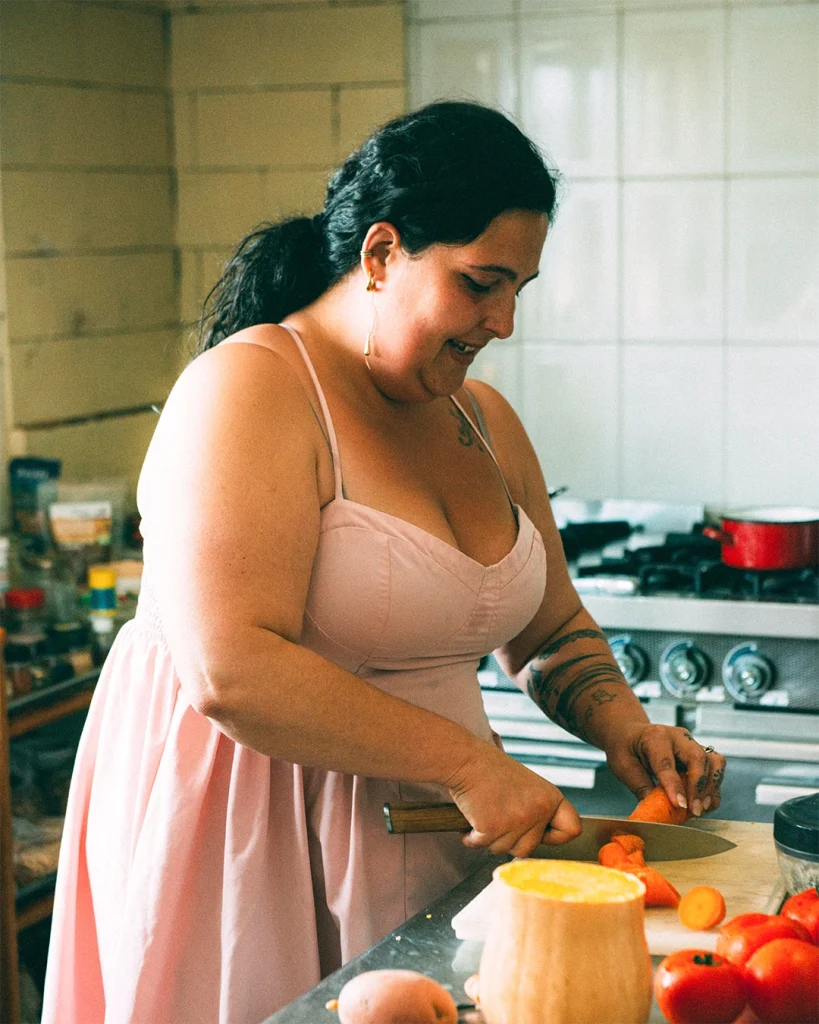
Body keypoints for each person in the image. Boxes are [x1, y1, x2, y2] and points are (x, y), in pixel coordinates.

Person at [42, 101, 726, 1023]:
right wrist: (469, 765)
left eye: (518, 287)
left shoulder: (483, 420)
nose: (503, 320)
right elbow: (230, 670)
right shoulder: (251, 387)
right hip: (252, 834)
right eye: (480, 283)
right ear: (379, 254)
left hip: (434, 826)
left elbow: (551, 629)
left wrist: (624, 731)